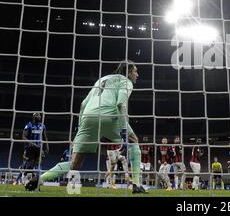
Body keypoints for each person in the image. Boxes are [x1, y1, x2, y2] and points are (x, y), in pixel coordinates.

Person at [25, 60, 147, 194]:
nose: (137, 74)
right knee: (134, 140)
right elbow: (120, 104)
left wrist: (80, 127)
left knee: (74, 163)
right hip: (109, 116)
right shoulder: (126, 81)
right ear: (129, 72)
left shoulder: (102, 79)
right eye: (135, 71)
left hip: (88, 117)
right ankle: (136, 184)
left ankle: (40, 179)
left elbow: (83, 104)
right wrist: (123, 131)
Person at [15, 113, 49, 185]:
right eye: (37, 116)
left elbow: (45, 137)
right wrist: (31, 143)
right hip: (30, 148)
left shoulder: (42, 126)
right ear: (33, 117)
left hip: (39, 148)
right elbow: (23, 136)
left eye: (39, 116)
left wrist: (47, 146)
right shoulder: (29, 125)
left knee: (38, 162)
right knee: (30, 164)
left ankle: (36, 179)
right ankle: (25, 177)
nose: (38, 117)